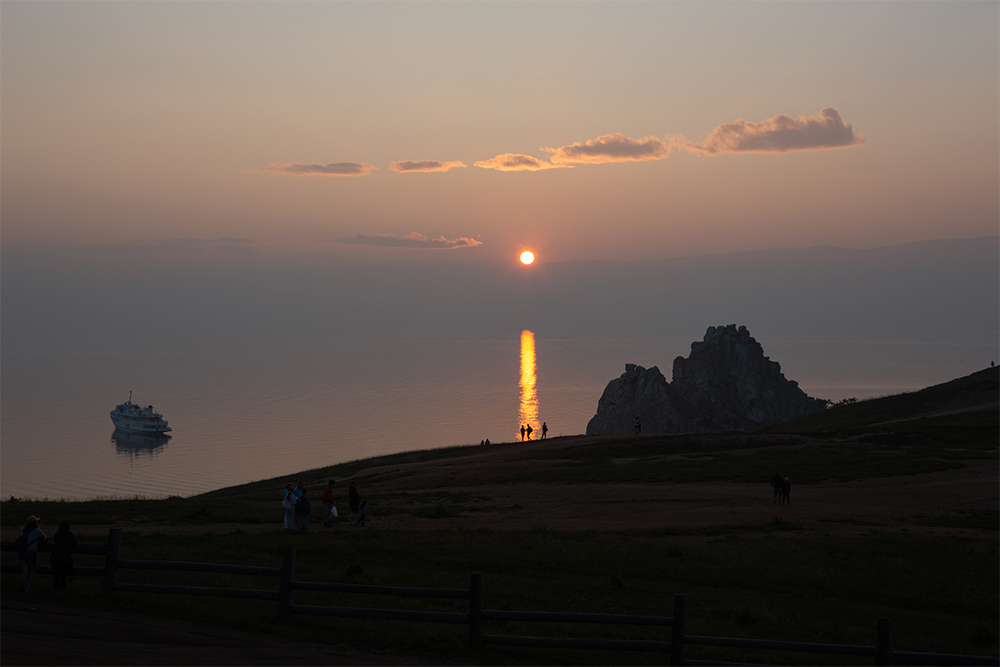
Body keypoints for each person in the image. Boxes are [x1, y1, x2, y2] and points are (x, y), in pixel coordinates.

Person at [18, 515, 46, 594]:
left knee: (25, 570)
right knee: (33, 570)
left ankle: (25, 587)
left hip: (22, 551)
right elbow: (44, 539)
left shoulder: (23, 529)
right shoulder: (37, 530)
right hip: (31, 551)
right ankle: (28, 587)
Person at [50, 521, 76, 596]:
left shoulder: (57, 534)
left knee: (56, 575)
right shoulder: (69, 534)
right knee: (63, 575)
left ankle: (56, 591)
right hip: (64, 558)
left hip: (55, 557)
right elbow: (74, 544)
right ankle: (62, 591)